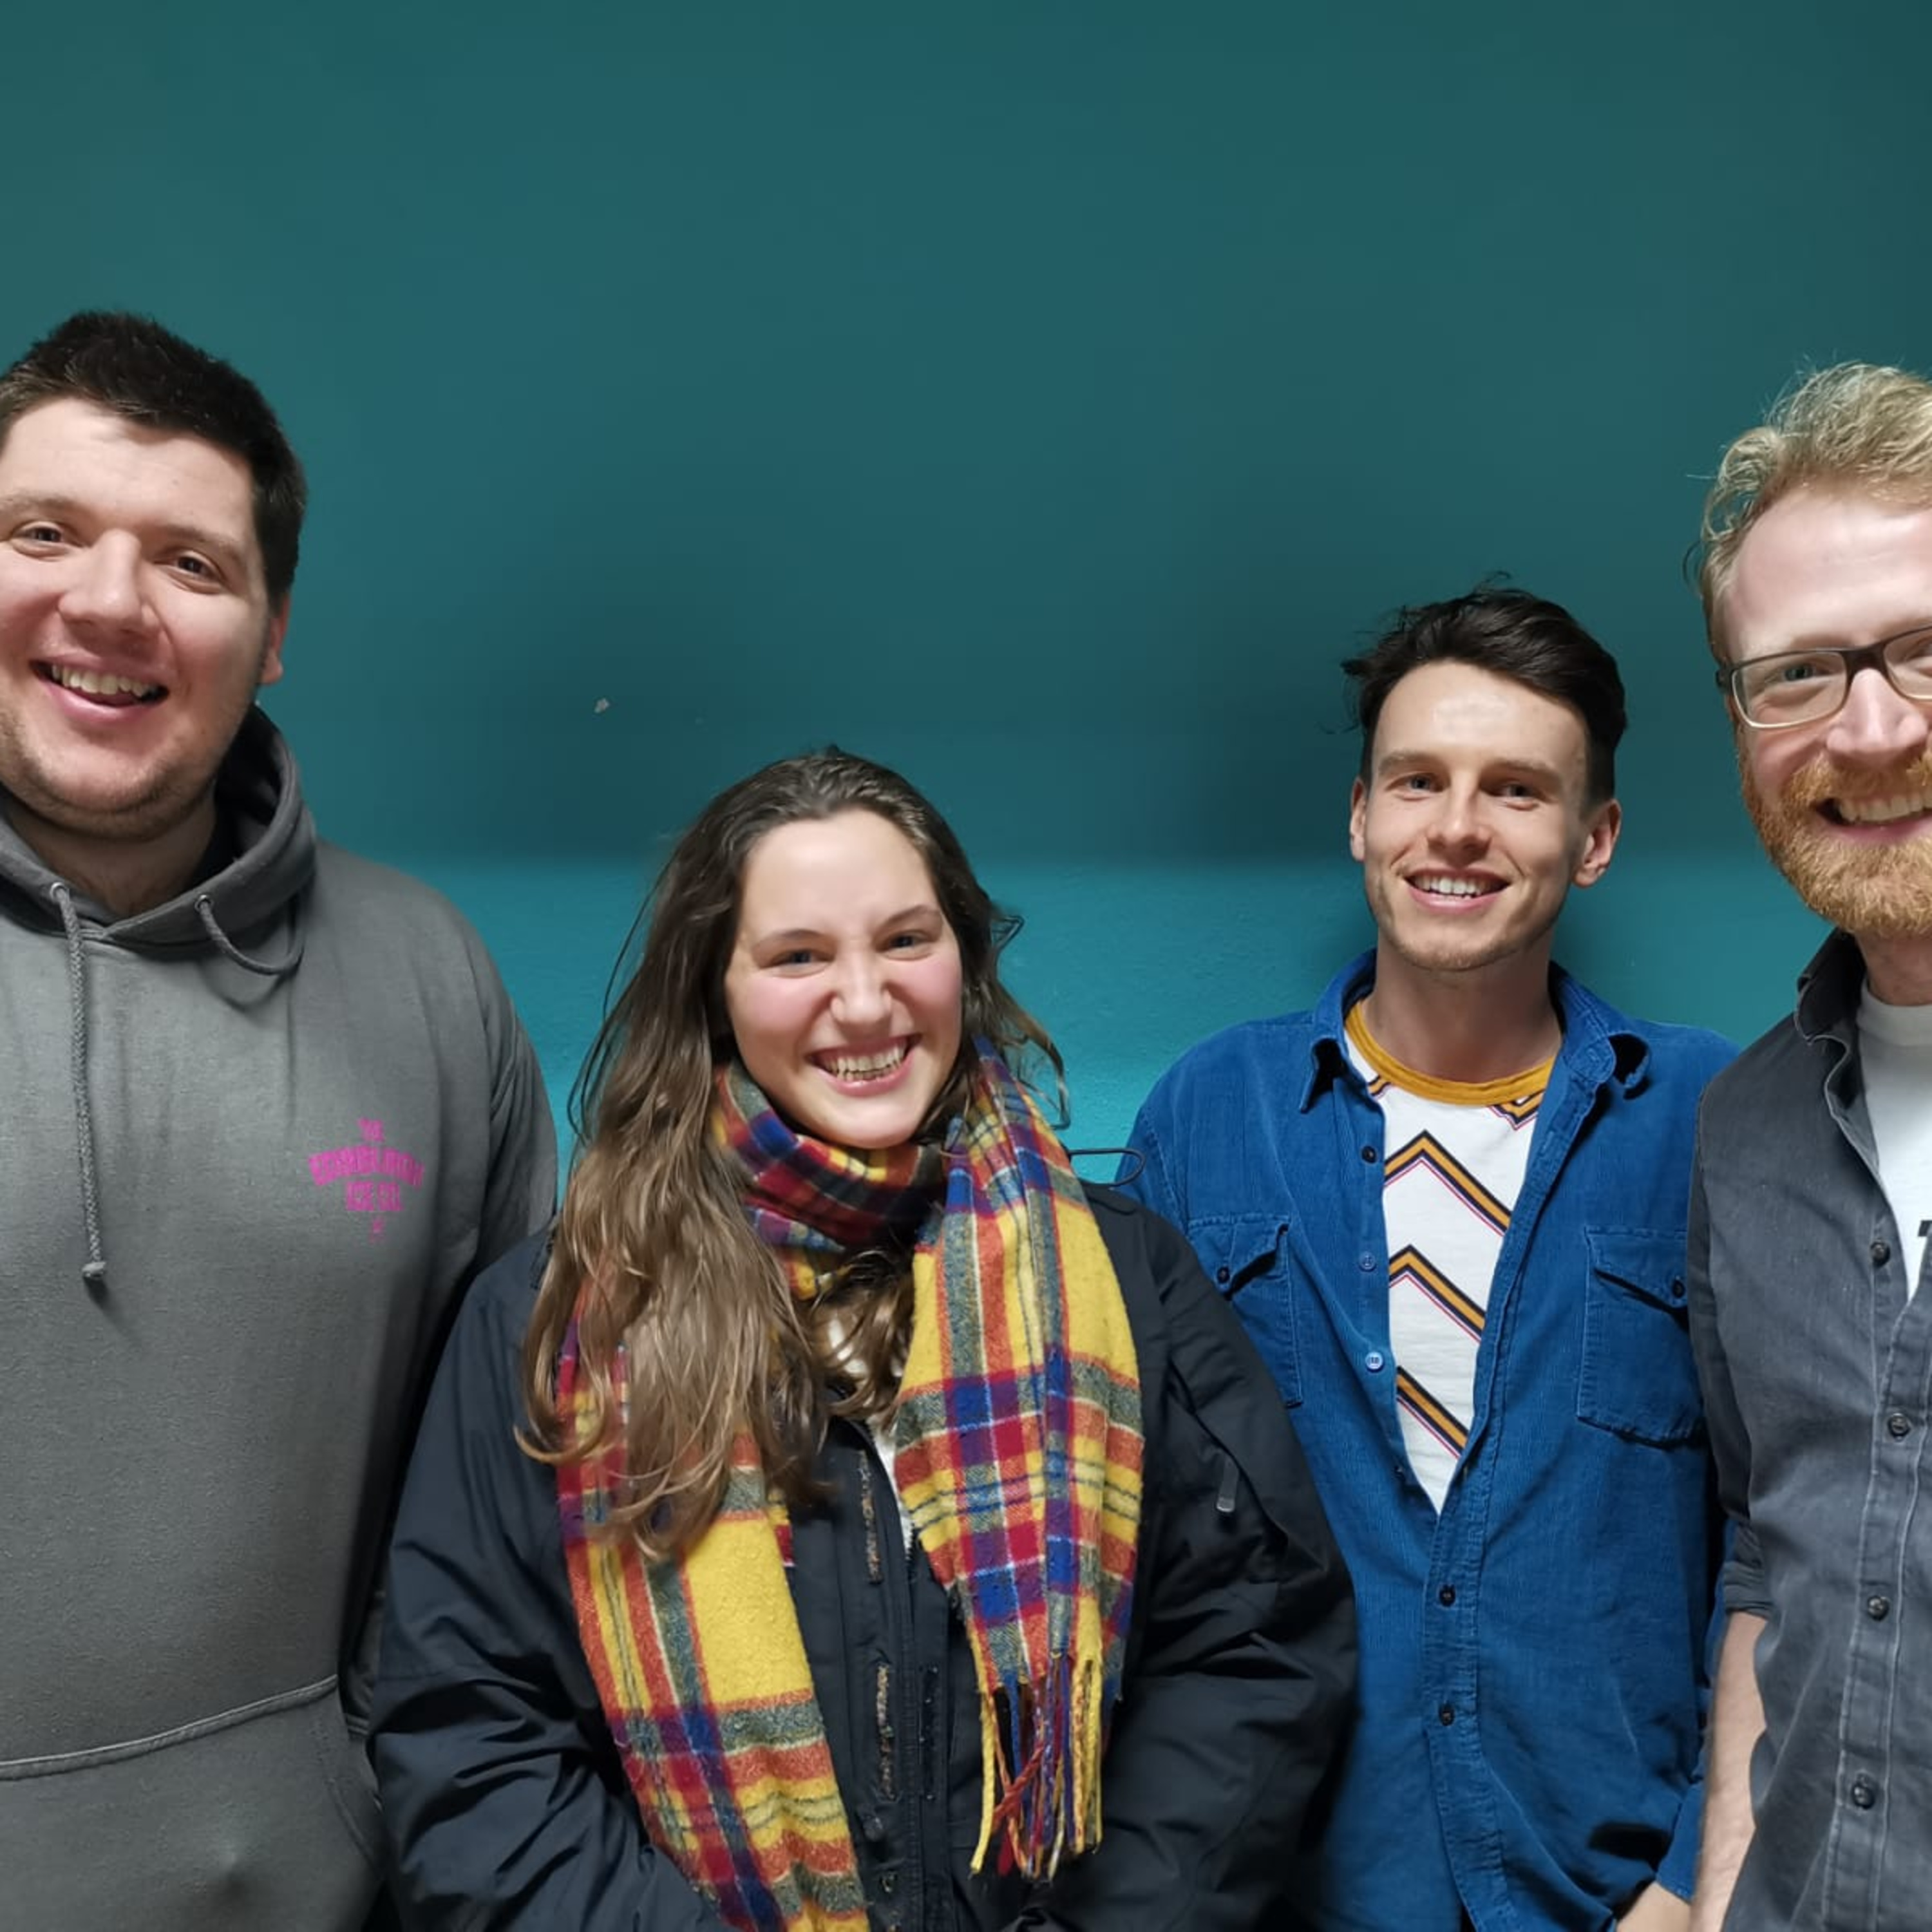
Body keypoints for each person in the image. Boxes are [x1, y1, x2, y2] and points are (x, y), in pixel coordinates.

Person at [371, 747, 1355, 1929]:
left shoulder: (1124, 1276)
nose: (867, 1001)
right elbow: (472, 1735)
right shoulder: (554, 1319)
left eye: (905, 940)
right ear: (715, 992)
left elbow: (1253, 1648)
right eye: (798, 956)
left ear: (964, 959)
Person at [0, 312, 556, 1929]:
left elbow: (518, 1486)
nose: (113, 602)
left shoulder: (430, 978)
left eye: (192, 561)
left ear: (273, 630)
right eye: (45, 533)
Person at [1123, 587, 1734, 1931]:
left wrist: (1695, 1876)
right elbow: (1131, 1532)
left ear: (1596, 839)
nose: (1457, 826)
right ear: (1362, 816)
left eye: (1517, 789)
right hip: (1289, 1893)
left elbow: (1783, 1527)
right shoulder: (1209, 1115)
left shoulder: (1712, 1120)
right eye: (1418, 781)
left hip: (1618, 1898)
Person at [1687, 363, 1932, 1930]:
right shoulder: (1745, 1129)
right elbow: (1770, 1570)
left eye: (1925, 649)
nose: (1875, 727)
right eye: (1796, 675)